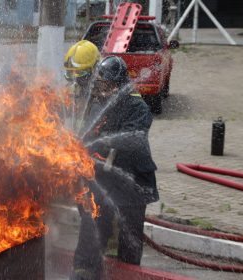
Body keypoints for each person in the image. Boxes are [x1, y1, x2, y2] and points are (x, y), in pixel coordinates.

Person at [72, 56, 159, 280]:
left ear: (117, 84)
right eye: (99, 84)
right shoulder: (101, 105)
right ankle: (84, 272)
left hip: (133, 181)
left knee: (130, 236)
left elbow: (135, 139)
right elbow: (90, 133)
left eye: (106, 85)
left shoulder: (137, 107)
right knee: (92, 222)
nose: (101, 90)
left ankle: (128, 274)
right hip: (106, 178)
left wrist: (105, 142)